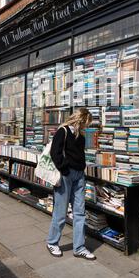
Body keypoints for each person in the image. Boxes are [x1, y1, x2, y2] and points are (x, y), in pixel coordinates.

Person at [47, 108, 96, 260]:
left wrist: (81, 169)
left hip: (79, 176)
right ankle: (52, 242)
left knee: (80, 212)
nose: (87, 126)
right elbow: (54, 152)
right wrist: (64, 169)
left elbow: (79, 154)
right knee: (60, 212)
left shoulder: (80, 136)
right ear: (81, 119)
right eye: (86, 123)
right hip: (66, 175)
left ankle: (79, 247)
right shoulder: (63, 131)